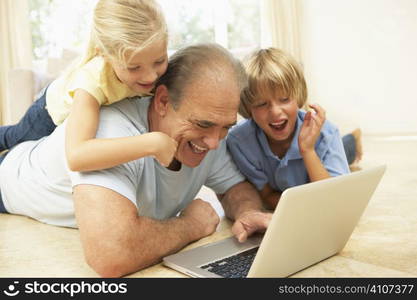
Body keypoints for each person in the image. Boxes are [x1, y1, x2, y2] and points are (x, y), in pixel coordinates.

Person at [0, 44, 272, 277]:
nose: (214, 142)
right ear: (163, 101)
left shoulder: (212, 131)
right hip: (8, 180)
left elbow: (236, 186)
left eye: (225, 127)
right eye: (203, 124)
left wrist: (248, 212)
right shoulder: (111, 132)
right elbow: (110, 254)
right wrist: (190, 225)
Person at [0, 0, 177, 172]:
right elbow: (77, 156)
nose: (151, 76)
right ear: (105, 54)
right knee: (14, 141)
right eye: (133, 67)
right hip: (48, 113)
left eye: (159, 61)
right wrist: (152, 143)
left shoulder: (156, 66)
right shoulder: (92, 81)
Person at [227, 47, 359, 210]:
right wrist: (304, 209)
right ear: (248, 107)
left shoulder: (327, 133)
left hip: (322, 159)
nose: (275, 112)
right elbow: (267, 195)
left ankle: (354, 137)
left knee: (347, 150)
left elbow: (334, 201)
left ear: (298, 97)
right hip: (299, 197)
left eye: (284, 99)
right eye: (261, 104)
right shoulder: (239, 142)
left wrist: (308, 150)